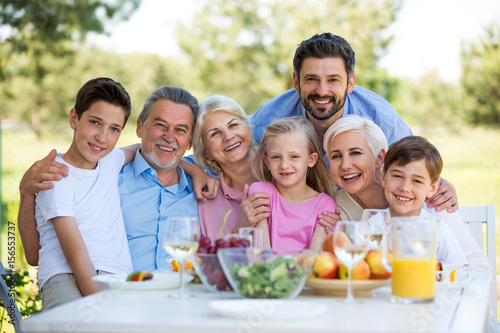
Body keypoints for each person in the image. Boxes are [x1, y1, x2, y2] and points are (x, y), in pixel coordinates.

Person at [250, 32, 458, 213]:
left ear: (350, 83)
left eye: (333, 80)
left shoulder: (379, 118)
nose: (322, 91)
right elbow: (229, 142)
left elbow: (416, 164)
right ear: (296, 82)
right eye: (312, 79)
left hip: (359, 216)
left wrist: (438, 184)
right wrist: (214, 174)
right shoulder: (272, 117)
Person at [19, 85, 209, 272]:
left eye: (180, 130)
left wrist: (195, 170)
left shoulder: (206, 188)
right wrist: (26, 193)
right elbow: (35, 255)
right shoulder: (106, 178)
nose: (169, 137)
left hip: (184, 296)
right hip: (121, 297)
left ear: (191, 140)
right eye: (160, 125)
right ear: (140, 127)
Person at [323, 115, 490, 271]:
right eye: (336, 156)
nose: (345, 165)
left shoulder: (433, 203)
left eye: (356, 153)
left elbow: (474, 269)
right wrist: (338, 236)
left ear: (380, 159)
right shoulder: (341, 208)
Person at [35, 77, 138, 310]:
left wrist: (194, 169)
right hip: (67, 276)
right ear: (74, 118)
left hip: (115, 275)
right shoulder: (56, 176)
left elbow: (142, 149)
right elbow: (78, 260)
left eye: (114, 129)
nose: (102, 137)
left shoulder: (110, 160)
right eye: (95, 122)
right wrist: (101, 305)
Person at [191, 95, 270, 242]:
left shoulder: (282, 169)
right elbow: (213, 262)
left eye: (233, 125)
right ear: (206, 152)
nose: (228, 136)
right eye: (215, 133)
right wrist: (241, 227)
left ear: (249, 128)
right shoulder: (209, 202)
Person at [250, 117, 336, 250]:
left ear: (311, 159)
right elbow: (261, 254)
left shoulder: (324, 205)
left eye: (294, 156)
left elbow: (314, 259)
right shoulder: (261, 192)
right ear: (267, 162)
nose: (284, 165)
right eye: (276, 157)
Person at [381, 136, 467, 265]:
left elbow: (459, 271)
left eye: (417, 181)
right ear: (383, 177)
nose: (405, 188)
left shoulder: (437, 230)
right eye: (398, 176)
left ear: (432, 188)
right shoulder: (372, 229)